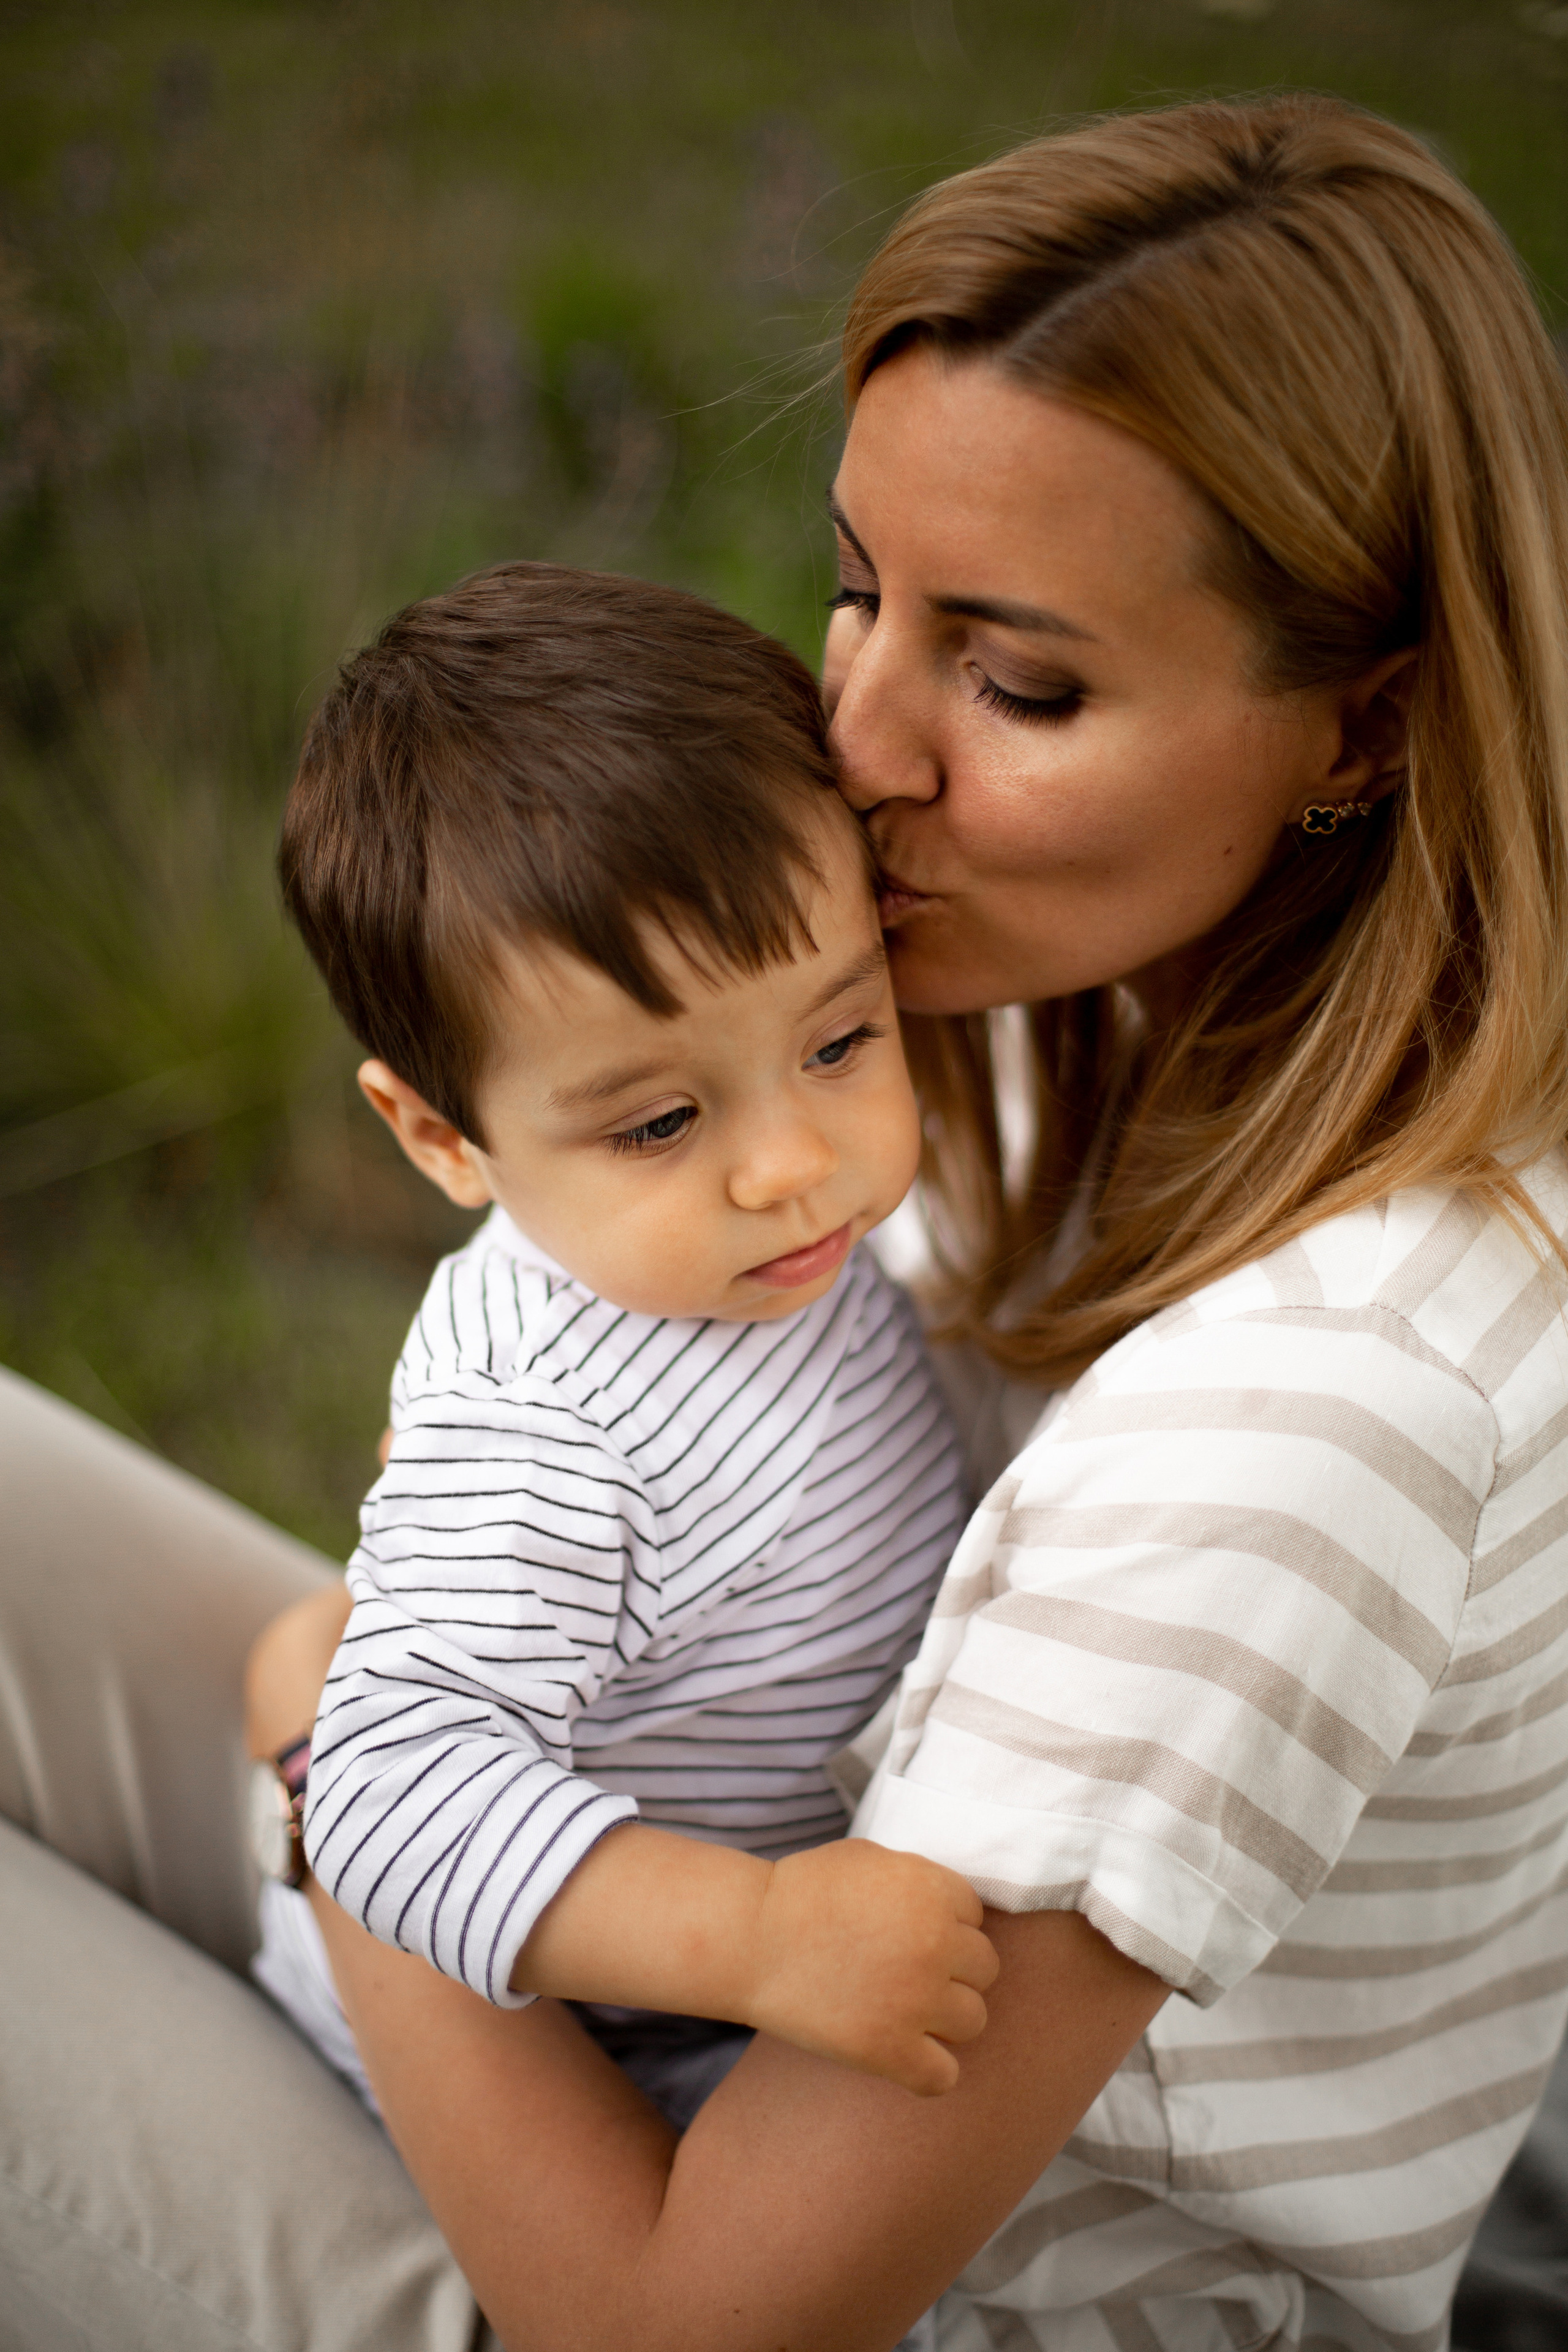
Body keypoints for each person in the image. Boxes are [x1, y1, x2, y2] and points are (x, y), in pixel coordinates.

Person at [4, 89, 1568, 2352]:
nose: (857, 739)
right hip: (632, 1914)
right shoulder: (1013, 1000)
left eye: (1019, 679)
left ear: (1368, 723)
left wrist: (335, 1780)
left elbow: (678, 2325)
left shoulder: (1318, 1422)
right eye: (858, 588)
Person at [247, 562, 986, 2127]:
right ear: (441, 1134)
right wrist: (762, 1937)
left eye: (840, 1039)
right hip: (554, 2070)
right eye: (658, 1119)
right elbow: (381, 1796)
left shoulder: (762, 1252)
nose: (791, 1161)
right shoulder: (548, 1433)